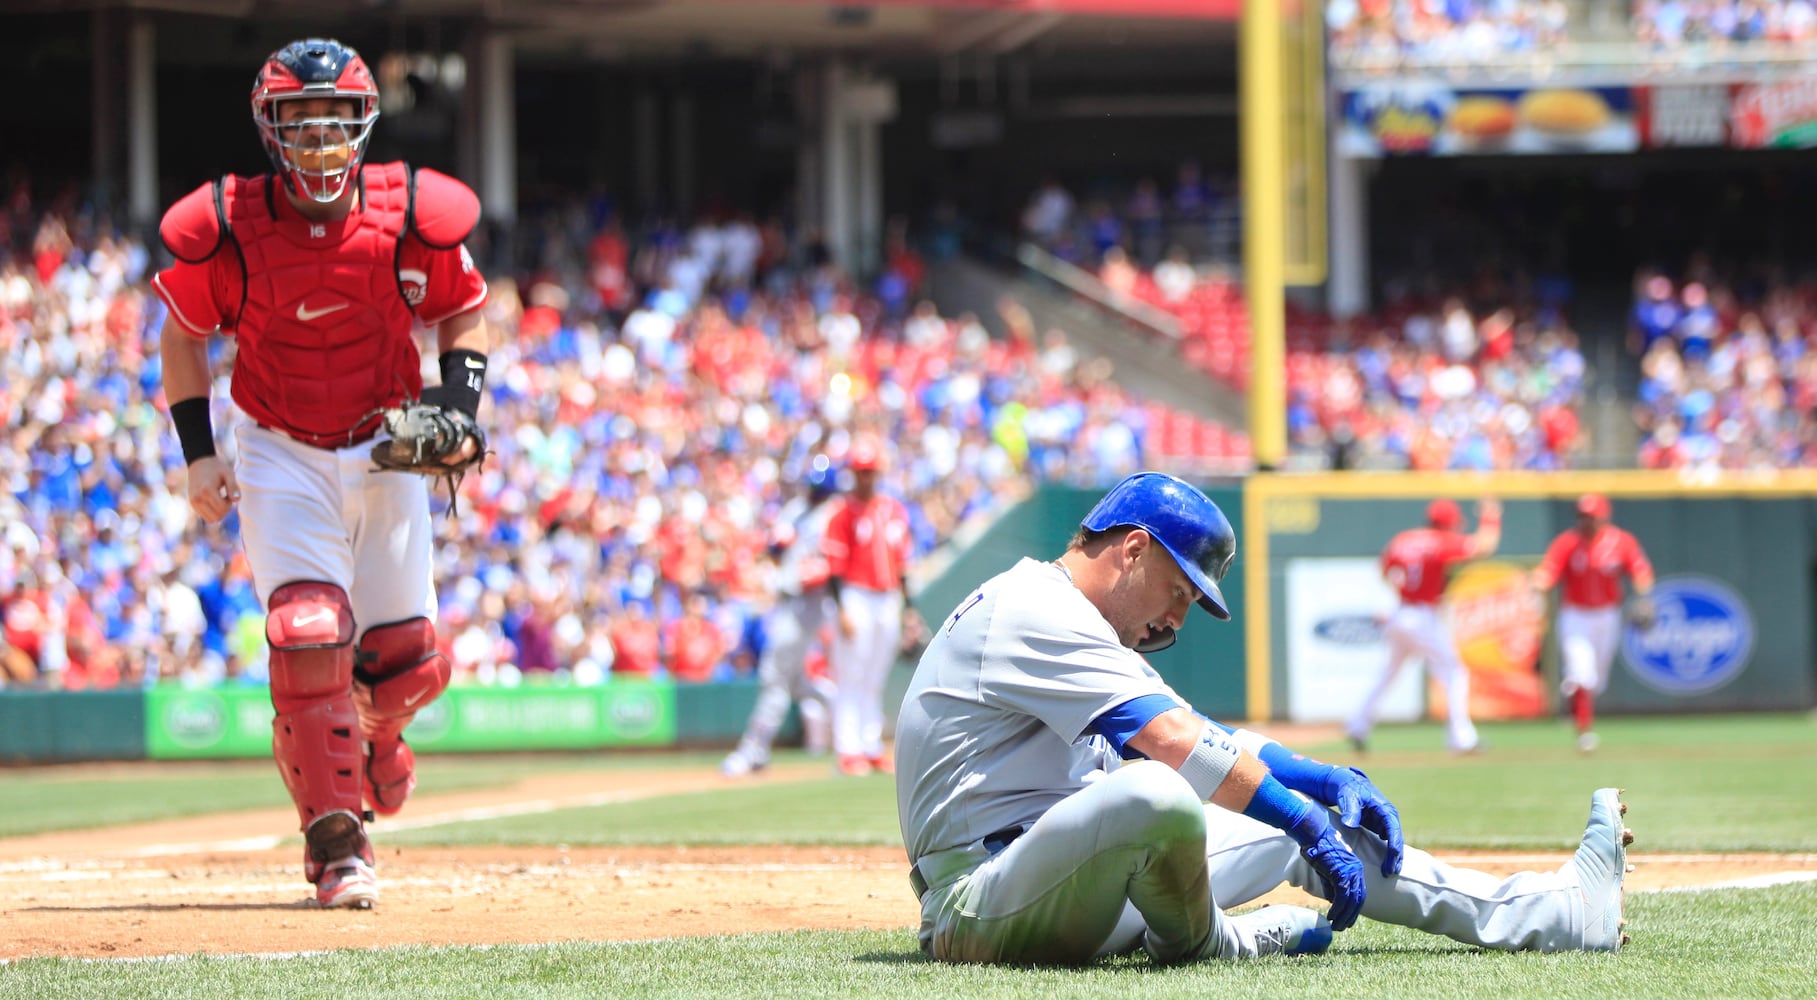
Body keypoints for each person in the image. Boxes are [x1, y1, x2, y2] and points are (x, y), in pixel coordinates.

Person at [894, 472, 1631, 966]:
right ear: (1133, 549)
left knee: (1281, 809)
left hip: (1071, 880)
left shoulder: (1077, 619)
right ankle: (1224, 944)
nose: (1175, 618)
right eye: (1180, 592)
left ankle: (1555, 913)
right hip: (982, 903)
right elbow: (1175, 744)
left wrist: (1313, 781)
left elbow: (1192, 730)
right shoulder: (1032, 609)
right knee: (1156, 794)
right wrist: (1297, 818)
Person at [152, 38, 491, 909]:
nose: (319, 145)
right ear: (271, 132)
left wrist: (459, 407)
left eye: (334, 125)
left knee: (405, 665)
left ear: (362, 127)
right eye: (299, 126)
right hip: (279, 445)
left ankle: (375, 730)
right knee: (306, 634)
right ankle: (336, 844)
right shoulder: (231, 224)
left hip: (386, 442)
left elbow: (462, 310)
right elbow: (182, 334)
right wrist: (199, 454)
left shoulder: (408, 211)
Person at [1346, 497, 1502, 754]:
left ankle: (1357, 724)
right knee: (1455, 672)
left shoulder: (1404, 538)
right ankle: (1462, 738)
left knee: (1388, 674)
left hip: (1401, 612)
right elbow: (1485, 546)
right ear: (1446, 524)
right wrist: (1491, 515)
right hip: (1423, 616)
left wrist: (1401, 592)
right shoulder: (1441, 540)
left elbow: (1384, 570)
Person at [722, 456, 839, 777]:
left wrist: (812, 568)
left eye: (819, 487)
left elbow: (830, 565)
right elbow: (774, 549)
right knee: (795, 681)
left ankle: (753, 750)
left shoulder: (831, 515)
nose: (813, 492)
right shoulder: (797, 509)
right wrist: (778, 546)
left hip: (809, 603)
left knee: (774, 677)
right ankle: (845, 713)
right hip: (787, 600)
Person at [821, 437, 922, 776]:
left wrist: (909, 608)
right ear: (853, 474)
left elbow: (903, 563)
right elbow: (834, 567)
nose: (866, 478)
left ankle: (870, 744)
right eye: (861, 472)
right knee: (851, 673)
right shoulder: (842, 513)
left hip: (887, 595)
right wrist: (841, 609)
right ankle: (848, 749)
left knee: (875, 674)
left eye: (870, 472)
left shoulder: (892, 509)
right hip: (856, 594)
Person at [1530, 494, 1655, 752]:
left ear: (1604, 517)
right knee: (1583, 673)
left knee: (1596, 680)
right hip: (1575, 615)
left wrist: (1644, 598)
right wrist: (1536, 584)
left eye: (1591, 517)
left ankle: (1574, 695)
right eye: (1582, 517)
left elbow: (1641, 572)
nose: (1586, 522)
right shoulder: (1567, 543)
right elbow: (1548, 573)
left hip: (1607, 615)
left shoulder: (1621, 541)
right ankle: (1584, 733)